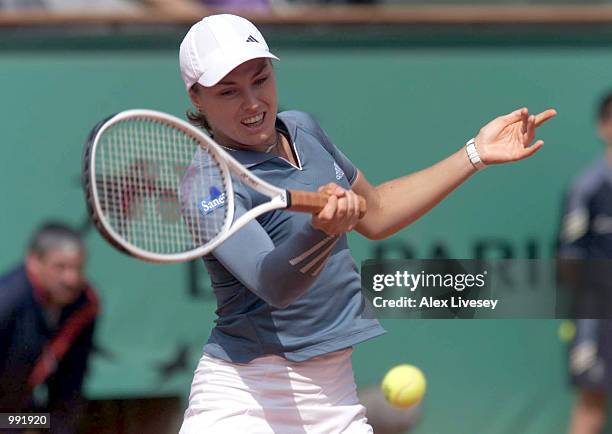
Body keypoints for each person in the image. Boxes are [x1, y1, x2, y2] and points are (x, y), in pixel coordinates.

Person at [177, 14, 556, 433]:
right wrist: (322, 230)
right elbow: (273, 285)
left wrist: (474, 154)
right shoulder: (208, 181)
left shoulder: (303, 128)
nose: (252, 102)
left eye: (261, 79)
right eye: (229, 91)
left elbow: (375, 213)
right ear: (197, 97)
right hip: (244, 401)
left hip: (334, 399)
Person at [0, 222, 99, 434]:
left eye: (77, 268)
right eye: (60, 267)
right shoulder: (6, 302)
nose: (71, 278)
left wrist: (52, 427)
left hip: (15, 417)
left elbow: (69, 387)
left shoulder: (84, 305)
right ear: (34, 262)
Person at [560, 93, 612, 434]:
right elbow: (569, 258)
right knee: (592, 401)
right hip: (599, 313)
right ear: (604, 127)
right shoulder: (588, 187)